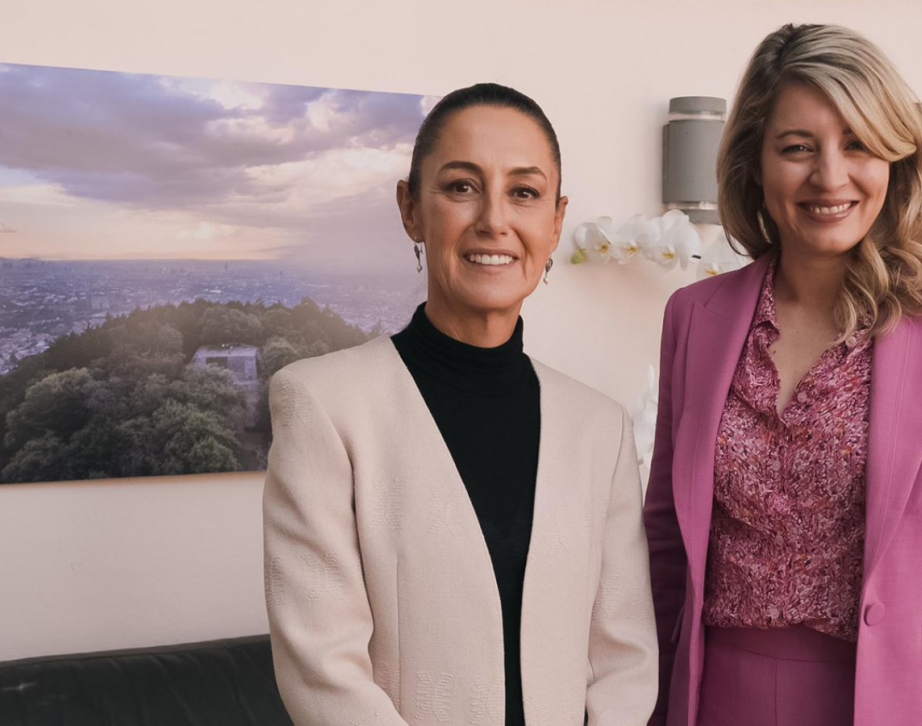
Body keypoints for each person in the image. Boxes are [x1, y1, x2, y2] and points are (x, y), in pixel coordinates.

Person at [644, 24, 922, 726]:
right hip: (715, 699)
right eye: (797, 147)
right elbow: (663, 548)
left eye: (857, 144)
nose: (830, 177)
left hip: (901, 703)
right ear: (755, 162)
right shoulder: (693, 317)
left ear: (897, 158)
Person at [263, 82, 658, 726]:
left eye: (523, 193)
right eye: (461, 186)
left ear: (555, 222)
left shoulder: (600, 428)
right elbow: (323, 672)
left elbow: (625, 657)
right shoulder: (324, 405)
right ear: (411, 209)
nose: (494, 220)